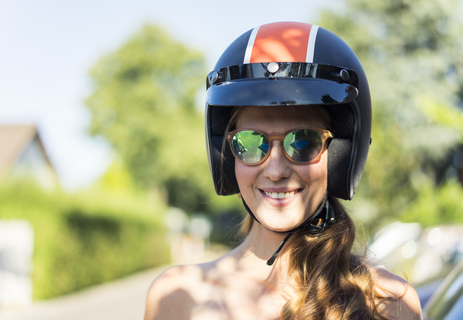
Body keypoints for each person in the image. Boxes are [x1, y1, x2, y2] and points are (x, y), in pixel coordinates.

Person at [144, 21, 422, 320]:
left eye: (304, 142)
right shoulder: (178, 298)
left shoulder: (388, 302)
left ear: (341, 155)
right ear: (227, 158)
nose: (275, 169)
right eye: (250, 143)